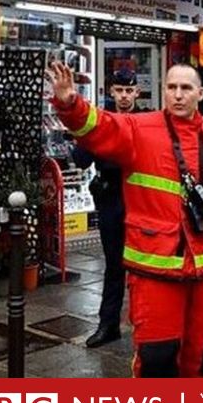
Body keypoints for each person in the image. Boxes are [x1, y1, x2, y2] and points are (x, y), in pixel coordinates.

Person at [47, 61, 203, 403]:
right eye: (171, 87)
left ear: (200, 95)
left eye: (185, 88)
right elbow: (98, 127)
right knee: (157, 355)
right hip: (154, 269)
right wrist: (70, 102)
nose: (177, 94)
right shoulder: (139, 129)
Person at [71, 69, 139, 348]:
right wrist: (92, 134)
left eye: (129, 91)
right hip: (111, 196)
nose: (124, 96)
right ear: (111, 91)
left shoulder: (146, 120)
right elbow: (80, 159)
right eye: (119, 90)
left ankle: (145, 325)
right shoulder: (101, 120)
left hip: (140, 197)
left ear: (137, 93)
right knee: (114, 264)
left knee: (143, 265)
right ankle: (108, 325)